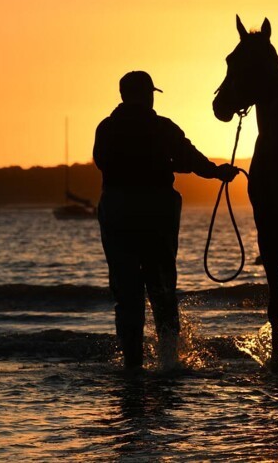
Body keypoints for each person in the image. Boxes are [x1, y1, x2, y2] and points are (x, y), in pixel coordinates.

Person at [94, 70, 238, 371]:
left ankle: (132, 364)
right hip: (157, 211)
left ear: (123, 95)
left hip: (117, 210)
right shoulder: (163, 128)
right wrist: (217, 172)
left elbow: (102, 162)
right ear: (147, 94)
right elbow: (190, 159)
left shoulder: (106, 128)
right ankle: (169, 360)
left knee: (127, 292)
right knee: (161, 287)